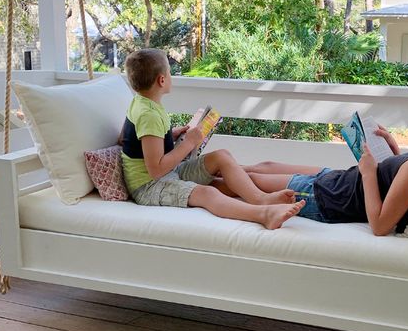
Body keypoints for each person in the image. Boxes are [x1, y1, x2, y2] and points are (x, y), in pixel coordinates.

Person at [244, 96, 408, 237]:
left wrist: (367, 172)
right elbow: (399, 185)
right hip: (338, 181)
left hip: (328, 197)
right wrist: (393, 152)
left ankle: (210, 182)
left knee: (251, 181)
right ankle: (212, 172)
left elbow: (380, 225)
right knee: (264, 166)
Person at [121, 48, 302, 229]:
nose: (170, 76)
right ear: (161, 80)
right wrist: (189, 143)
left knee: (221, 156)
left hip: (169, 171)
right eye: (169, 72)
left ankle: (261, 199)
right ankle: (264, 215)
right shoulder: (148, 115)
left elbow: (125, 139)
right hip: (149, 186)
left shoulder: (141, 102)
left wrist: (168, 135)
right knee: (207, 192)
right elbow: (156, 170)